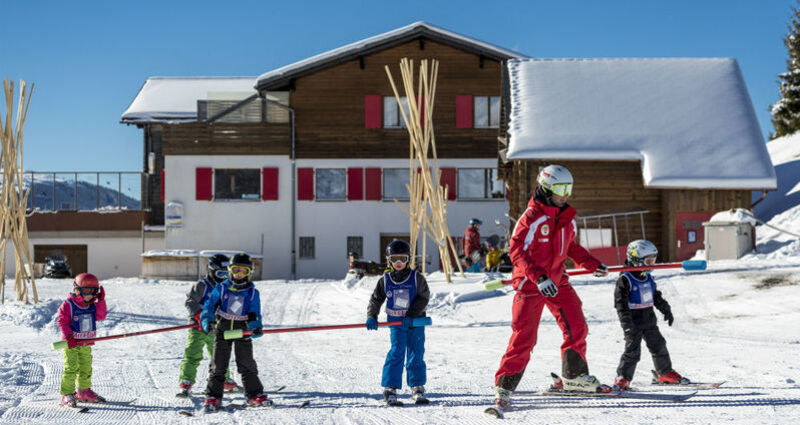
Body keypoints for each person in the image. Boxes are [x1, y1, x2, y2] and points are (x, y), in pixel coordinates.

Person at [492, 164, 609, 413]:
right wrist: (539, 277)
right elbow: (517, 252)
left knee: (577, 325)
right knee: (524, 337)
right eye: (560, 189)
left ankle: (574, 376)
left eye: (568, 189)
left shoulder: (566, 218)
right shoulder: (531, 218)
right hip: (531, 284)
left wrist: (592, 264)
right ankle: (505, 386)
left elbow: (572, 248)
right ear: (546, 188)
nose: (565, 194)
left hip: (557, 282)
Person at [613, 240, 688, 390]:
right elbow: (620, 305)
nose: (651, 264)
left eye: (653, 260)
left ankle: (664, 372)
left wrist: (665, 309)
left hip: (649, 319)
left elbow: (655, 296)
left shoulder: (647, 277)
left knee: (659, 346)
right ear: (635, 259)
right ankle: (623, 377)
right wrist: (626, 326)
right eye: (648, 261)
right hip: (633, 322)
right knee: (632, 352)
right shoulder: (625, 279)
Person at [201, 253, 270, 411]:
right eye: (236, 270)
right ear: (229, 271)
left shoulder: (252, 293)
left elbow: (254, 313)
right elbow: (209, 307)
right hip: (223, 329)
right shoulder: (222, 288)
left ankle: (254, 395)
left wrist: (255, 327)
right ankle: (213, 396)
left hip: (242, 331)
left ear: (249, 272)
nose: (239, 274)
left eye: (243, 271)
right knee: (218, 365)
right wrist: (208, 320)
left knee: (246, 364)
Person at [366, 240, 431, 406]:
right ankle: (390, 388)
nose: (399, 263)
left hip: (414, 321)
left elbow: (424, 297)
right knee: (397, 351)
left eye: (402, 258)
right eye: (395, 259)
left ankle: (417, 386)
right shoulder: (385, 280)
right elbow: (376, 299)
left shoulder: (417, 278)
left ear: (408, 259)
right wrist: (372, 316)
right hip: (396, 323)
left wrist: (411, 314)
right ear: (389, 260)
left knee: (416, 352)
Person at [177, 254, 239, 397]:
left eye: (226, 273)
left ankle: (223, 380)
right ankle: (186, 381)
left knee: (219, 357)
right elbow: (190, 301)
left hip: (216, 330)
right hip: (197, 328)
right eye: (220, 273)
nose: (223, 277)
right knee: (193, 355)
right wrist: (199, 315)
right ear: (211, 270)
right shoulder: (202, 285)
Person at [57, 273, 108, 407]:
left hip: (85, 343)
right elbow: (62, 321)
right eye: (86, 291)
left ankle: (83, 391)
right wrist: (69, 336)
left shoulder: (91, 305)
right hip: (71, 343)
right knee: (71, 368)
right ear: (77, 290)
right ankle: (67, 393)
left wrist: (101, 301)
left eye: (93, 292)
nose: (89, 295)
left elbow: (101, 316)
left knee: (85, 367)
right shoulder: (69, 304)